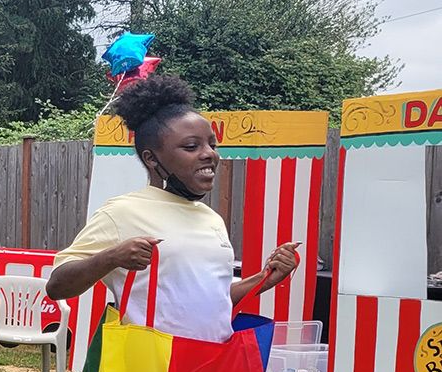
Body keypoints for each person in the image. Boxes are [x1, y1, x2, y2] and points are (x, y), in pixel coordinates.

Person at [46, 75, 298, 341]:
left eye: (212, 144)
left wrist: (263, 279)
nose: (209, 154)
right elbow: (57, 286)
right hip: (152, 369)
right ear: (151, 159)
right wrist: (111, 258)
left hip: (211, 368)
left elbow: (214, 302)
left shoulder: (211, 219)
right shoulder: (122, 212)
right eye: (191, 146)